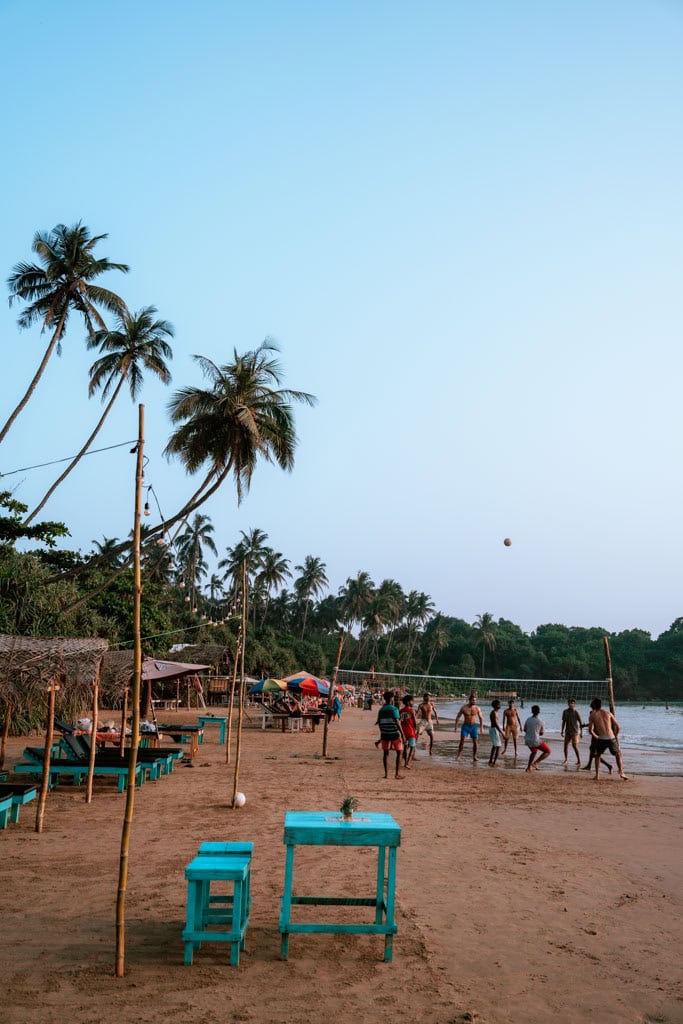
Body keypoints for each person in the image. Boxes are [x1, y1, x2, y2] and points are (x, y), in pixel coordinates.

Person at [587, 698, 628, 780]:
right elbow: (618, 726)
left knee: (597, 755)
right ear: (601, 705)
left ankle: (597, 775)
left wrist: (597, 737)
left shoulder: (592, 715)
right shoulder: (608, 713)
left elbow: (590, 730)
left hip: (601, 738)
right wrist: (615, 735)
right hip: (611, 737)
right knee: (618, 754)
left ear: (594, 705)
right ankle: (621, 772)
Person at [376, 689, 405, 779]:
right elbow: (397, 722)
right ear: (392, 698)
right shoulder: (394, 709)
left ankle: (386, 774)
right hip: (394, 733)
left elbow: (379, 723)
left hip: (385, 733)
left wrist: (382, 734)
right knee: (399, 752)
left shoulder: (381, 710)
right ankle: (397, 774)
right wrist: (402, 734)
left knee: (386, 754)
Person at [455, 694, 484, 762]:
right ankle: (459, 755)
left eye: (475, 700)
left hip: (474, 726)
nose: (474, 701)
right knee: (462, 742)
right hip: (465, 726)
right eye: (473, 700)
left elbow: (481, 718)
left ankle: (474, 756)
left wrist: (481, 727)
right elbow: (458, 716)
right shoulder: (464, 708)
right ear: (469, 700)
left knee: (475, 743)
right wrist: (456, 726)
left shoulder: (477, 708)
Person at [523, 705, 551, 772]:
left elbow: (525, 729)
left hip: (527, 740)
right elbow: (541, 733)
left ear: (532, 712)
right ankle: (536, 762)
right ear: (539, 712)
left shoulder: (528, 719)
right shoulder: (540, 721)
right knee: (548, 751)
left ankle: (529, 767)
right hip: (535, 740)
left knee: (534, 752)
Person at [561, 698, 584, 768]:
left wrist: (581, 733)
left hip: (575, 732)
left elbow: (581, 723)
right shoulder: (565, 712)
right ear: (568, 704)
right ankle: (566, 759)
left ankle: (579, 761)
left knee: (575, 746)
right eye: (570, 703)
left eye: (573, 703)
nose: (571, 704)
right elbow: (563, 722)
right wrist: (562, 730)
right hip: (567, 731)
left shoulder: (576, 712)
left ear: (574, 704)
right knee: (565, 746)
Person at [399, 694, 418, 768]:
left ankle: (403, 759)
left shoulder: (401, 710)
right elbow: (414, 722)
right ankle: (407, 763)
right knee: (412, 747)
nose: (413, 703)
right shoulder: (411, 710)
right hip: (411, 731)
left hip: (403, 731)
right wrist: (416, 730)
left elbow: (399, 720)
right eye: (412, 701)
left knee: (405, 746)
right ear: (408, 702)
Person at [488, 699, 505, 766]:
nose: (500, 705)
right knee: (498, 746)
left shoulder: (495, 712)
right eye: (499, 704)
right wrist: (502, 733)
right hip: (494, 729)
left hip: (493, 729)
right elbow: (495, 723)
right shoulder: (494, 712)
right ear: (496, 705)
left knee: (495, 746)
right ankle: (494, 762)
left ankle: (491, 761)